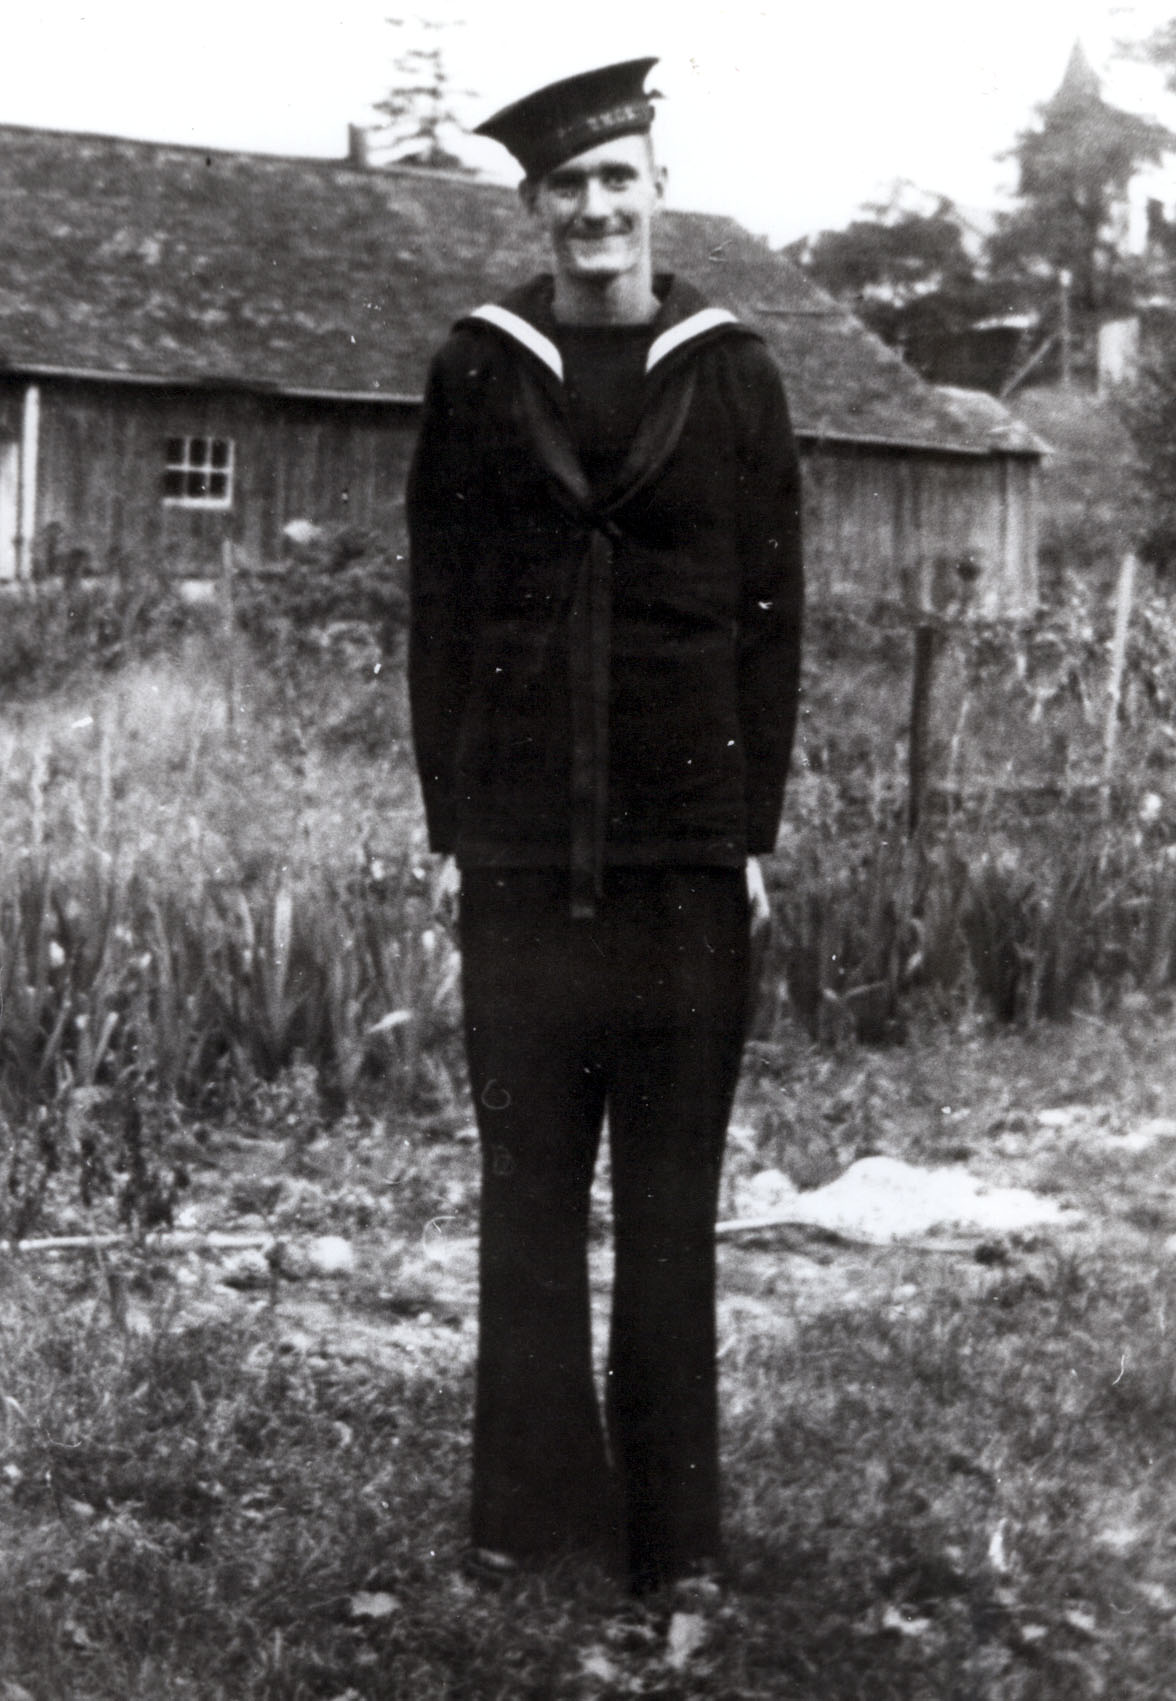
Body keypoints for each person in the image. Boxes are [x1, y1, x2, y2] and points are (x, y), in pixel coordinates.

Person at [407, 57, 804, 1597]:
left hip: (688, 853)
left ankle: (674, 1539)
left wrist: (750, 826)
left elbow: (775, 620)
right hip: (514, 847)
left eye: (617, 178)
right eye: (566, 186)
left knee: (669, 1200)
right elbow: (436, 605)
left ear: (657, 188)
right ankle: (525, 1517)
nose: (594, 207)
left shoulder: (736, 368)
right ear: (533, 206)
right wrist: (453, 821)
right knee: (526, 1189)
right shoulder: (478, 367)